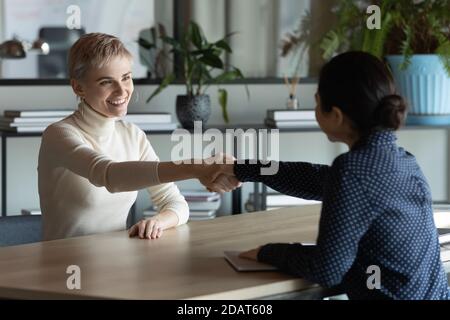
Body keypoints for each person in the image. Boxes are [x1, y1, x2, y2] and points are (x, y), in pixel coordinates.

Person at [213, 51, 450, 299]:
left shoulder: (352, 170)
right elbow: (313, 178)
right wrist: (242, 168)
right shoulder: (404, 162)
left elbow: (327, 270)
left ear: (336, 116)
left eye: (317, 102)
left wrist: (268, 252)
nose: (315, 108)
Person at [38, 33, 239, 241]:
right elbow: (108, 175)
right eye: (106, 82)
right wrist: (197, 167)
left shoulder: (132, 135)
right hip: (65, 268)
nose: (122, 91)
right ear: (78, 87)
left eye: (126, 77)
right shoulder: (59, 134)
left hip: (118, 263)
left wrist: (157, 222)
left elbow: (176, 204)